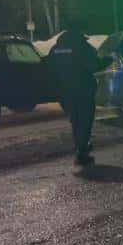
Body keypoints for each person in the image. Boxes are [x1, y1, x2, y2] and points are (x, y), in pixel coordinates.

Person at [47, 27, 112, 166]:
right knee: (85, 121)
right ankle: (82, 152)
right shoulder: (82, 47)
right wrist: (108, 60)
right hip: (82, 91)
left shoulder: (55, 49)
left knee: (76, 121)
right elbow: (94, 65)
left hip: (64, 93)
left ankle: (81, 147)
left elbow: (49, 69)